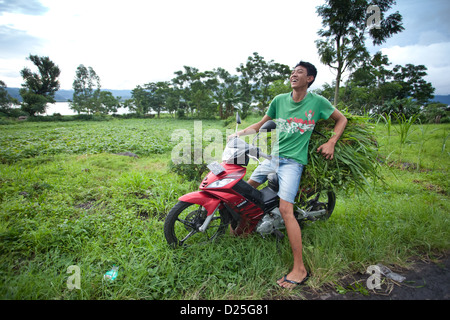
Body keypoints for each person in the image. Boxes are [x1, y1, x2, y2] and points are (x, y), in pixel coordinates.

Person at [229, 61, 347, 288]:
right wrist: (239, 134)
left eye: (299, 72)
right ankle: (246, 228)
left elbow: (341, 119)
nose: (294, 74)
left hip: (292, 163)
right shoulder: (279, 101)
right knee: (246, 193)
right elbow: (261, 124)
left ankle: (299, 269)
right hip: (273, 159)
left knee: (286, 210)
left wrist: (331, 142)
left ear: (309, 79)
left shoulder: (318, 102)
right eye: (293, 71)